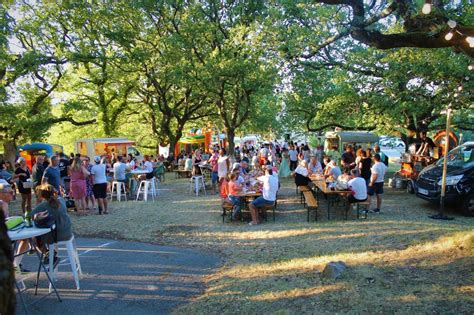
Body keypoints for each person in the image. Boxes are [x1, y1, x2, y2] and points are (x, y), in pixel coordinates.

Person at [31, 184, 73, 263]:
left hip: (57, 235)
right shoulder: (61, 200)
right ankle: (50, 254)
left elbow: (31, 215)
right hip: (67, 231)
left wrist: (38, 216)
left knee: (34, 238)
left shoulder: (44, 205)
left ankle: (48, 254)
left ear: (41, 196)